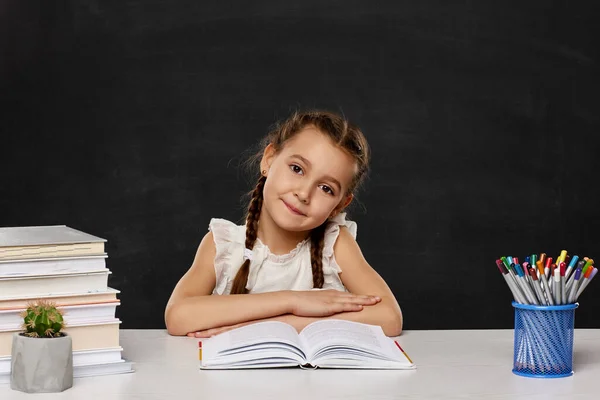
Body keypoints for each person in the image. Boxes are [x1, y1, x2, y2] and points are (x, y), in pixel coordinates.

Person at [165, 110, 403, 338]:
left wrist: (286, 322)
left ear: (340, 205)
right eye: (297, 169)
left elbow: (389, 317)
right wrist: (293, 300)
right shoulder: (224, 245)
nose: (303, 193)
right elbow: (178, 316)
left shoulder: (336, 245)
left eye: (326, 188)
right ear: (268, 159)